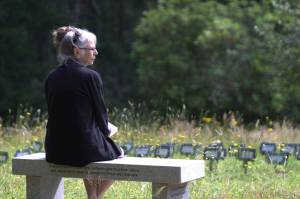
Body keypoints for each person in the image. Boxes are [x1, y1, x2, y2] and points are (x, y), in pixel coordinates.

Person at [44, 25, 122, 199]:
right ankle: (95, 197)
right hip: (82, 149)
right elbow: (101, 116)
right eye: (91, 49)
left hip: (54, 149)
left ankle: (92, 196)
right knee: (117, 154)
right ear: (77, 51)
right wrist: (107, 132)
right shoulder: (90, 77)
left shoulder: (51, 76)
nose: (96, 52)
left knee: (92, 144)